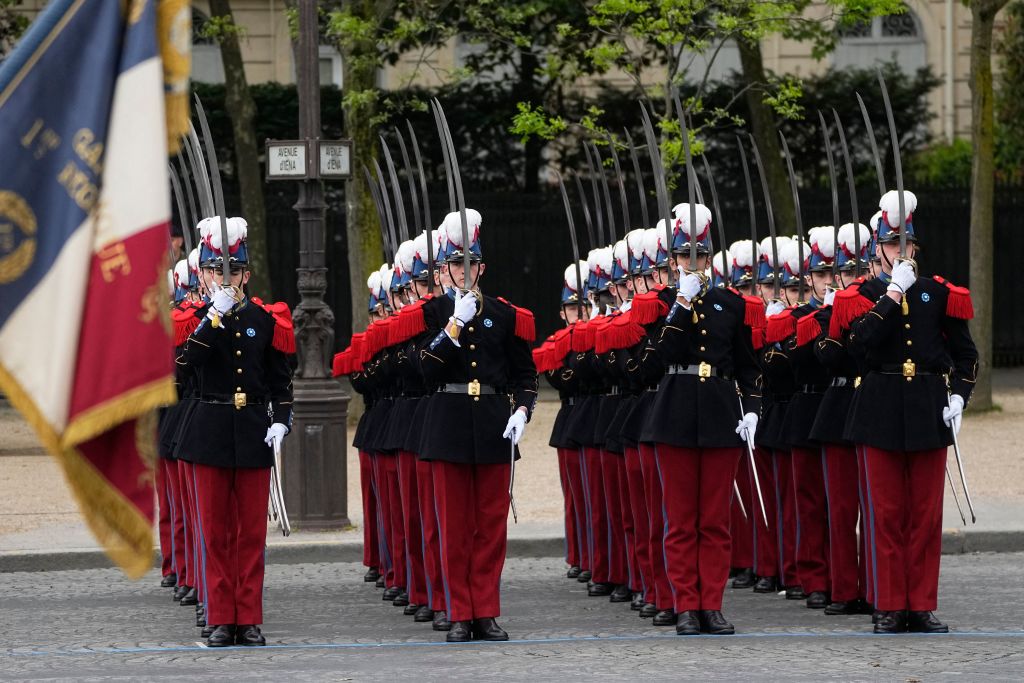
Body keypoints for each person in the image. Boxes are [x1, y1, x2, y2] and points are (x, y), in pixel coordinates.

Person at [835, 190, 977, 634]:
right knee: (887, 512)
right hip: (880, 405)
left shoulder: (938, 292)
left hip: (927, 407)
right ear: (879, 249)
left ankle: (920, 604)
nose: (901, 250)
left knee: (925, 514)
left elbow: (967, 356)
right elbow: (858, 344)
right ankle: (890, 604)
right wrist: (894, 293)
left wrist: (958, 398)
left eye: (907, 244)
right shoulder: (864, 295)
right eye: (893, 243)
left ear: (915, 247)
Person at [640, 203, 763, 635]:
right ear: (672, 261)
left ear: (711, 259)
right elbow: (655, 359)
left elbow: (748, 367)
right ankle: (685, 604)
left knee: (715, 519)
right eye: (684, 256)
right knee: (681, 520)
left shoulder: (731, 304)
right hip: (674, 413)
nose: (693, 264)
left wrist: (751, 410)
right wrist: (680, 304)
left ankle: (711, 602)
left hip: (719, 414)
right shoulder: (657, 305)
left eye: (700, 256)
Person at [417, 209, 538, 642]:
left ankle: (484, 610)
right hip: (447, 422)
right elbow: (424, 371)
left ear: (481, 267)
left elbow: (526, 377)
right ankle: (458, 611)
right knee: (452, 527)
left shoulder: (506, 316)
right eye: (455, 265)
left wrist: (523, 413)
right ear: (444, 270)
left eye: (471, 265)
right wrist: (453, 325)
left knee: (489, 526)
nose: (464, 272)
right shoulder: (430, 313)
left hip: (491, 423)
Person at [178, 216, 295, 647]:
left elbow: (281, 382)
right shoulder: (193, 319)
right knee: (214, 530)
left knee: (249, 533)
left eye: (231, 270)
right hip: (207, 427)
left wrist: (282, 419)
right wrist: (213, 319)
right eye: (213, 270)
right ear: (204, 275)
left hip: (251, 429)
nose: (222, 278)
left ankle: (248, 617)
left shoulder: (265, 320)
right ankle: (220, 616)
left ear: (245, 274)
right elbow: (181, 367)